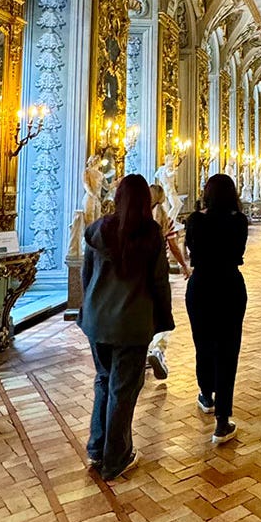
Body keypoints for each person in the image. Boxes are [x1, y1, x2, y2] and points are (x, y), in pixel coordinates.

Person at [79, 174, 173, 480]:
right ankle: (116, 457)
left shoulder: (97, 230)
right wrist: (163, 318)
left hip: (97, 321)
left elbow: (86, 275)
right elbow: (159, 282)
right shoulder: (150, 234)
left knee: (103, 380)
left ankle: (97, 448)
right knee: (123, 388)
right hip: (132, 322)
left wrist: (89, 308)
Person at [184, 173, 248, 445]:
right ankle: (222, 421)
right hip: (230, 286)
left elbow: (190, 252)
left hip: (200, 286)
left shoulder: (194, 221)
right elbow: (238, 251)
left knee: (203, 344)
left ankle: (206, 394)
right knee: (228, 350)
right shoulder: (239, 222)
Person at [147, 182, 190, 381]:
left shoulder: (136, 217)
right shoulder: (165, 219)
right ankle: (157, 349)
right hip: (159, 268)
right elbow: (173, 246)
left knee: (142, 308)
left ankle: (142, 349)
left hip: (137, 270)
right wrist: (184, 265)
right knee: (162, 310)